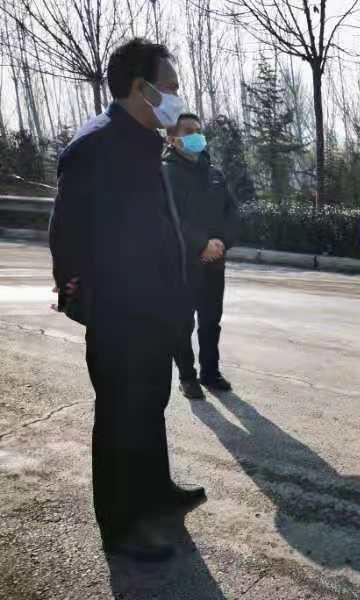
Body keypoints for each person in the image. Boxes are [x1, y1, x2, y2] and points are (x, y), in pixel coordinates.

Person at [49, 38, 205, 561]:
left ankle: (155, 493)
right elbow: (66, 234)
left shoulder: (142, 142)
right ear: (140, 88)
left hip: (153, 310)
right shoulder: (95, 146)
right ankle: (120, 526)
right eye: (170, 87)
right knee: (120, 416)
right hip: (119, 315)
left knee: (150, 407)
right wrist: (83, 302)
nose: (176, 97)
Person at [164, 113, 239, 400]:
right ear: (173, 139)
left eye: (198, 130)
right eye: (188, 131)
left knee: (211, 320)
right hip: (183, 264)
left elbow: (231, 212)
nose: (196, 136)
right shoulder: (165, 174)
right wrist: (200, 245)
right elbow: (170, 219)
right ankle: (187, 376)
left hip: (214, 263)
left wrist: (222, 243)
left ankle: (211, 372)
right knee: (182, 322)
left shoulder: (214, 174)